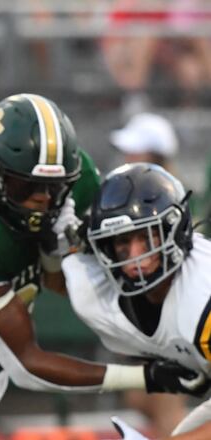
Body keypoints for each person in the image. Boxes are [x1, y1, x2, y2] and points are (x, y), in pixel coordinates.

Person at [0, 93, 203, 439]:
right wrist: (147, 375)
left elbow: (84, 279)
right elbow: (26, 365)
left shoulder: (77, 181)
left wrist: (60, 254)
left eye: (54, 188)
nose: (43, 200)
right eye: (27, 186)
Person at [62, 163, 211, 439]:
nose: (135, 256)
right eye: (121, 242)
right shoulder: (93, 296)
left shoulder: (203, 298)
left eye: (146, 237)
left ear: (174, 229)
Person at [110, 112, 190, 438]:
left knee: (162, 400)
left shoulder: (167, 205)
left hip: (171, 319)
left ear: (156, 156)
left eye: (136, 150)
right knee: (141, 396)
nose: (127, 157)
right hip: (145, 319)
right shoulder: (140, 196)